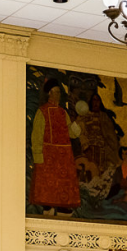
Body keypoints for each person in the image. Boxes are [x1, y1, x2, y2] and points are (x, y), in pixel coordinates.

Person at [29, 79, 81, 213]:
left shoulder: (63, 112)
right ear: (49, 93)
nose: (58, 95)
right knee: (48, 188)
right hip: (49, 156)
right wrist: (38, 156)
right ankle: (48, 212)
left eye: (59, 92)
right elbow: (37, 135)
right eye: (56, 92)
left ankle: (63, 212)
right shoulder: (42, 112)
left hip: (64, 156)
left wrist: (77, 122)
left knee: (64, 188)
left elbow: (71, 133)